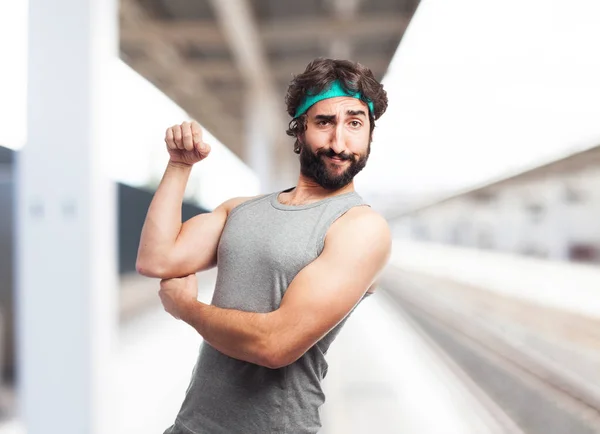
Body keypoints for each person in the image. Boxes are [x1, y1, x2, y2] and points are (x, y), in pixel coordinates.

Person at [136, 58, 391, 434]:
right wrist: (178, 165)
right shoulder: (241, 210)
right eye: (324, 122)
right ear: (300, 129)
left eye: (355, 123)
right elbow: (158, 259)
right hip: (190, 426)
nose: (339, 142)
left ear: (369, 133)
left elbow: (276, 344)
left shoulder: (360, 227)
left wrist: (187, 309)